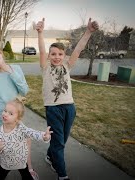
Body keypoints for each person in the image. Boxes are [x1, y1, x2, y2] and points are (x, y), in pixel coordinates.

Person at [35, 17, 99, 180]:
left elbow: (78, 50)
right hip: (53, 109)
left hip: (70, 108)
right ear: (49, 56)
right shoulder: (45, 67)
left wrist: (88, 32)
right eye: (53, 54)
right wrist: (40, 33)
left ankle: (50, 156)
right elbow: (41, 50)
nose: (56, 57)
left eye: (60, 54)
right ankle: (62, 175)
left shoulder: (67, 66)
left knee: (61, 139)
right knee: (59, 143)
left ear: (64, 55)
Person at [0, 48, 38, 179]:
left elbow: (24, 91)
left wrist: (10, 72)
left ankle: (28, 168)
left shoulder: (16, 68)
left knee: (25, 139)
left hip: (14, 114)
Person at [0, 98, 52, 180]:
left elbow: (31, 132)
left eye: (10, 113)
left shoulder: (21, 128)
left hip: (22, 162)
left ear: (18, 119)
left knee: (26, 176)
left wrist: (44, 136)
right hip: (6, 164)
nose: (5, 114)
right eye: (5, 111)